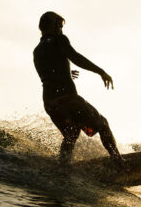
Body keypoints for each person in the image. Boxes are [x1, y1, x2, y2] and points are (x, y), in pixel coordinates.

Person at [33, 11, 123, 166]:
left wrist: (66, 73)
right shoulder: (58, 39)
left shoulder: (37, 50)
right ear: (53, 26)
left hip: (50, 102)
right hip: (68, 99)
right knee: (102, 124)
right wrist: (100, 72)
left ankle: (63, 167)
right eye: (60, 26)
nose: (61, 30)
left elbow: (48, 74)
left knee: (71, 133)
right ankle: (118, 162)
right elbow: (75, 57)